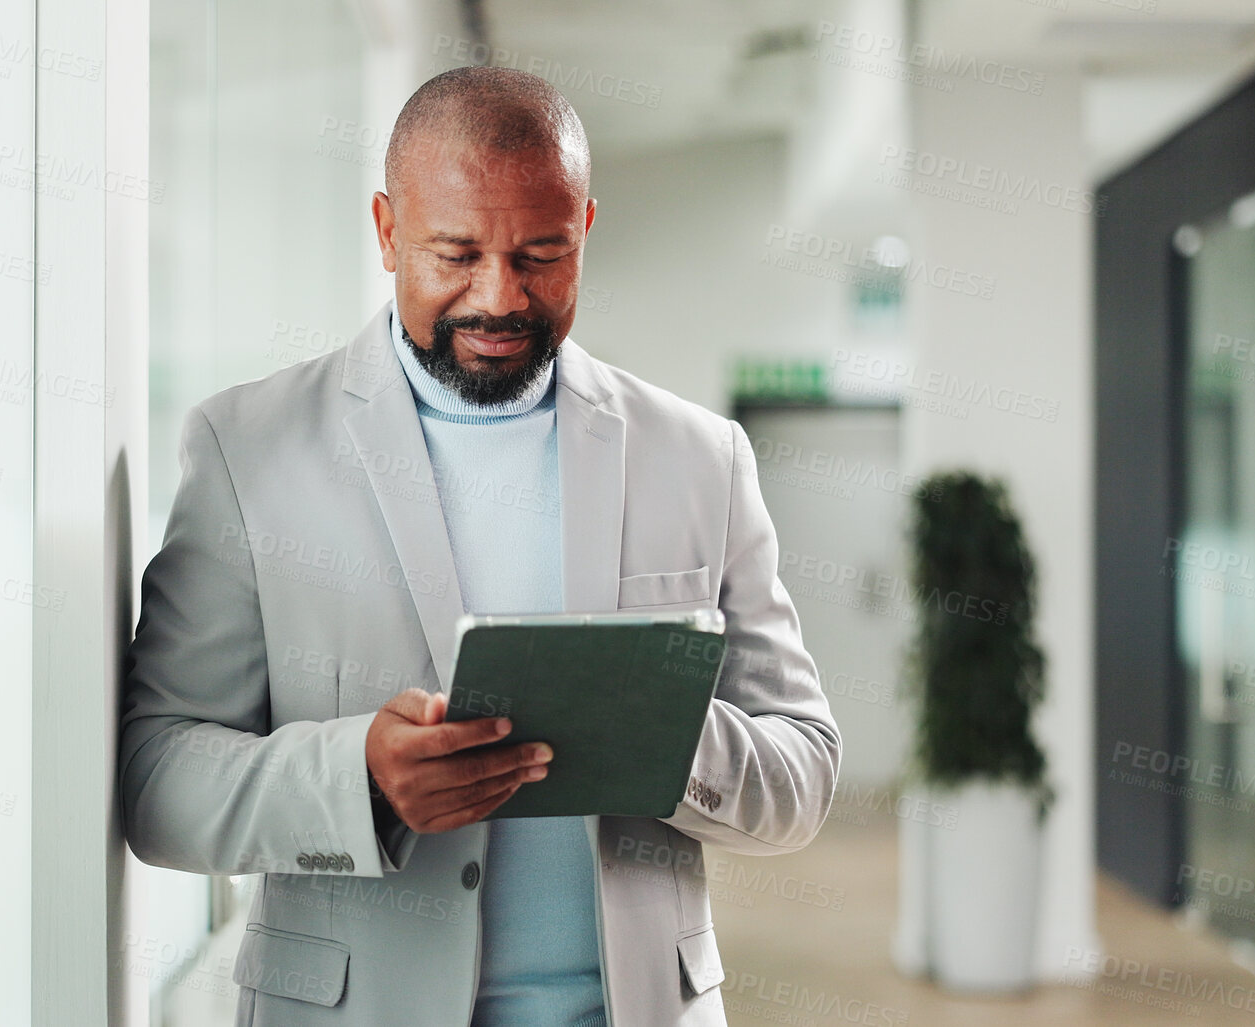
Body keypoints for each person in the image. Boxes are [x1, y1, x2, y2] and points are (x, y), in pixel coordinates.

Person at [120, 65, 840, 1026]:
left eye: (539, 255)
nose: (498, 298)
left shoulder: (699, 458)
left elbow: (804, 770)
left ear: (584, 228)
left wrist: (664, 735)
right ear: (385, 231)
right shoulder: (246, 449)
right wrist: (359, 779)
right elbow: (157, 777)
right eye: (454, 253)